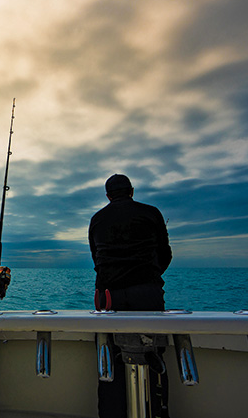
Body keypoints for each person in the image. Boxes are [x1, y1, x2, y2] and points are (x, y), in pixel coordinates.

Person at [88, 174, 173, 418]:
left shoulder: (97, 219)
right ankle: (156, 411)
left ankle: (111, 413)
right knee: (153, 355)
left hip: (108, 295)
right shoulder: (151, 213)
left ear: (108, 196)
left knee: (110, 357)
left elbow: (97, 258)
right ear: (132, 191)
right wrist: (147, 275)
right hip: (147, 294)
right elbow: (165, 254)